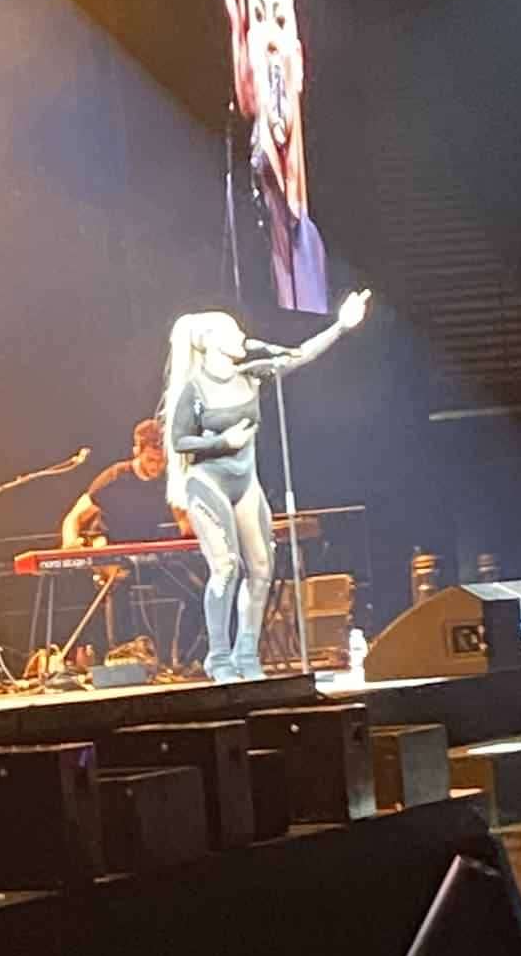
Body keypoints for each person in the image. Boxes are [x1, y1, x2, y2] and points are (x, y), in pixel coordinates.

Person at [159, 291, 368, 681]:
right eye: (231, 330)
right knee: (225, 567)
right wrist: (224, 443)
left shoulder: (251, 375)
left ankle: (247, 654)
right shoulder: (195, 389)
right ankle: (218, 658)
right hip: (208, 483)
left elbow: (298, 355)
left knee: (260, 566)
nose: (241, 334)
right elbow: (179, 440)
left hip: (246, 483)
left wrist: (340, 325)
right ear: (209, 341)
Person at [226, 0, 326, 315]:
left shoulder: (310, 244)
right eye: (259, 18)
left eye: (281, 21)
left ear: (299, 60)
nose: (271, 39)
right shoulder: (251, 219)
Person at [59, 418, 170, 551]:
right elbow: (74, 516)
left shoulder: (168, 480)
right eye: (150, 459)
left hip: (146, 550)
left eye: (161, 460)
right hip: (106, 546)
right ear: (136, 452)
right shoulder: (115, 477)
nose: (156, 466)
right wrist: (70, 543)